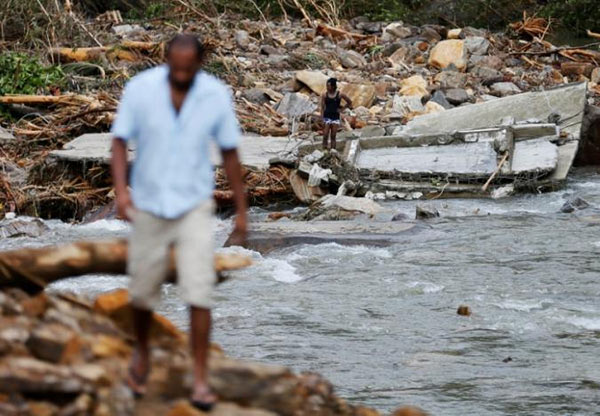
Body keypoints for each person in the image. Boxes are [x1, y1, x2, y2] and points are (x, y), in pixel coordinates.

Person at [110, 34, 247, 411]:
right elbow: (119, 141)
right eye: (176, 66)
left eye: (189, 68)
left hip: (193, 206)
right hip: (150, 204)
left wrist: (241, 209)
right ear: (167, 60)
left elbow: (230, 152)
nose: (181, 73)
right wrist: (121, 193)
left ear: (200, 63)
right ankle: (141, 353)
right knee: (142, 292)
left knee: (199, 293)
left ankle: (199, 377)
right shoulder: (140, 89)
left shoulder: (215, 95)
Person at [320, 78, 352, 150]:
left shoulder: (340, 94)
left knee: (333, 136)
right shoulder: (325, 95)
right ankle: (324, 150)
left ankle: (333, 151)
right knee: (325, 135)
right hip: (327, 116)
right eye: (327, 86)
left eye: (329, 86)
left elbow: (349, 102)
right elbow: (322, 107)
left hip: (335, 117)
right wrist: (321, 118)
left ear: (334, 86)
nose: (327, 87)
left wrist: (341, 109)